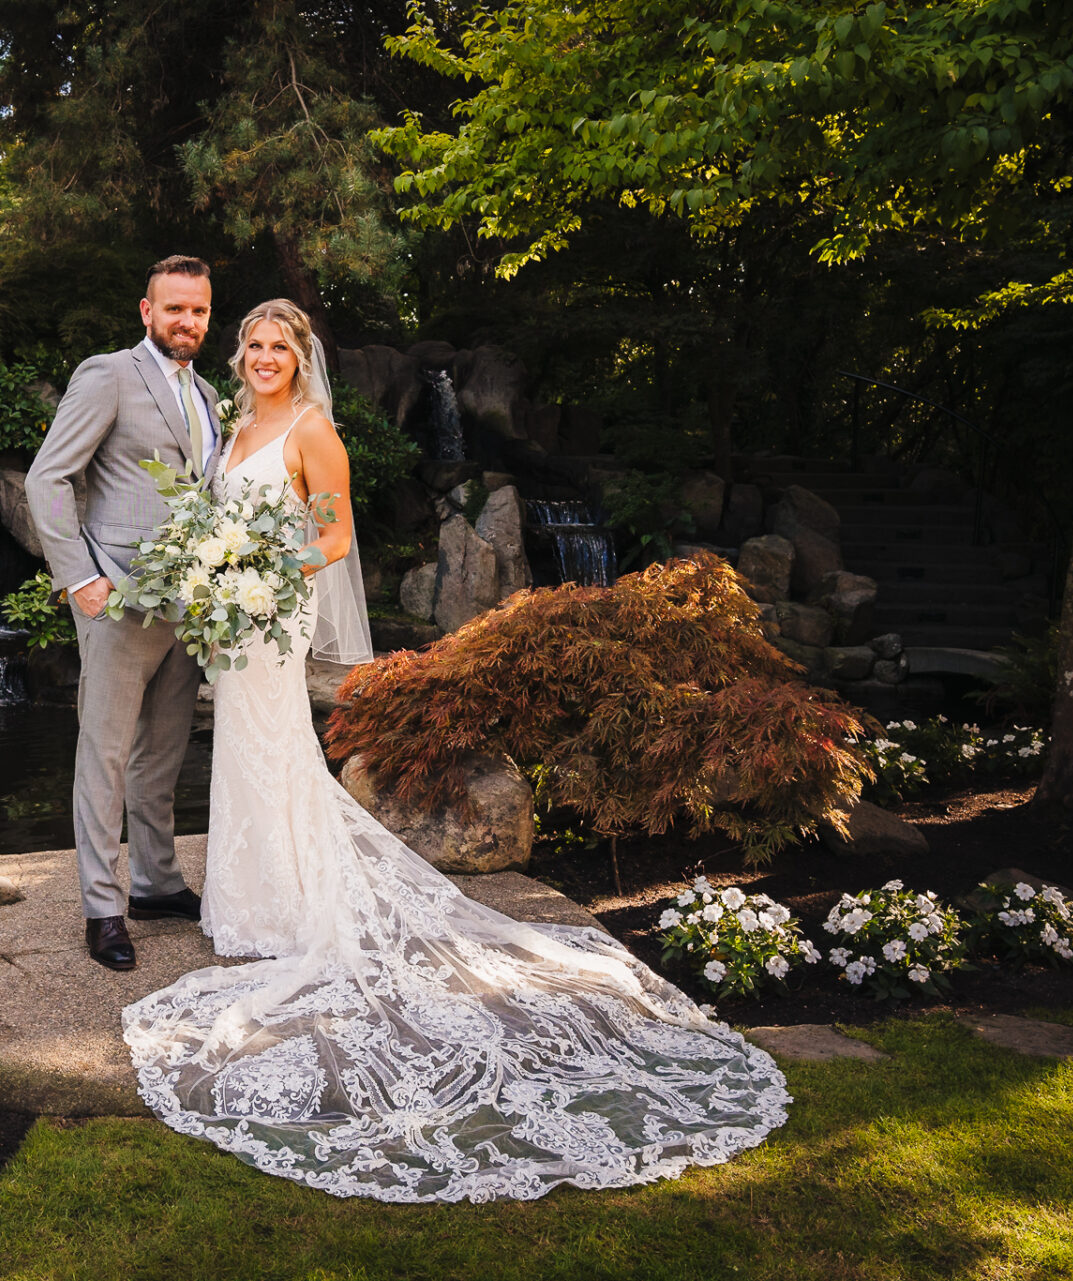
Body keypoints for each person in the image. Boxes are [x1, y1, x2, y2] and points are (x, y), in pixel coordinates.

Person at [121, 299, 791, 1203]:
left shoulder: (316, 432)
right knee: (244, 752)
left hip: (273, 611)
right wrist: (214, 565)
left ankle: (290, 909)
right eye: (255, 345)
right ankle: (254, 899)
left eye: (280, 345)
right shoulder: (239, 426)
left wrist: (267, 573)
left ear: (301, 356)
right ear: (240, 356)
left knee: (274, 746)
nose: (265, 356)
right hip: (232, 612)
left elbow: (335, 533)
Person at [25, 255, 222, 971]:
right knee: (105, 756)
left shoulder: (207, 394)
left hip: (189, 606)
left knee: (162, 751)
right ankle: (104, 909)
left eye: (198, 310)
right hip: (118, 600)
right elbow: (48, 476)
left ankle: (157, 881)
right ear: (147, 311)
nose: (187, 321)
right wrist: (80, 577)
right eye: (174, 309)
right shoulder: (109, 374)